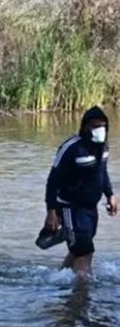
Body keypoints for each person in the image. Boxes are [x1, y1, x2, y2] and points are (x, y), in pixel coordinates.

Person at [43, 106, 118, 275]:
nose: (99, 130)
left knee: (79, 250)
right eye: (94, 126)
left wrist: (110, 194)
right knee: (85, 252)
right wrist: (51, 212)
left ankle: (60, 280)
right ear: (85, 126)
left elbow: (102, 173)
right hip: (70, 207)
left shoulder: (103, 147)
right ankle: (81, 295)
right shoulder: (72, 147)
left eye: (103, 126)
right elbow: (53, 181)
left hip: (90, 209)